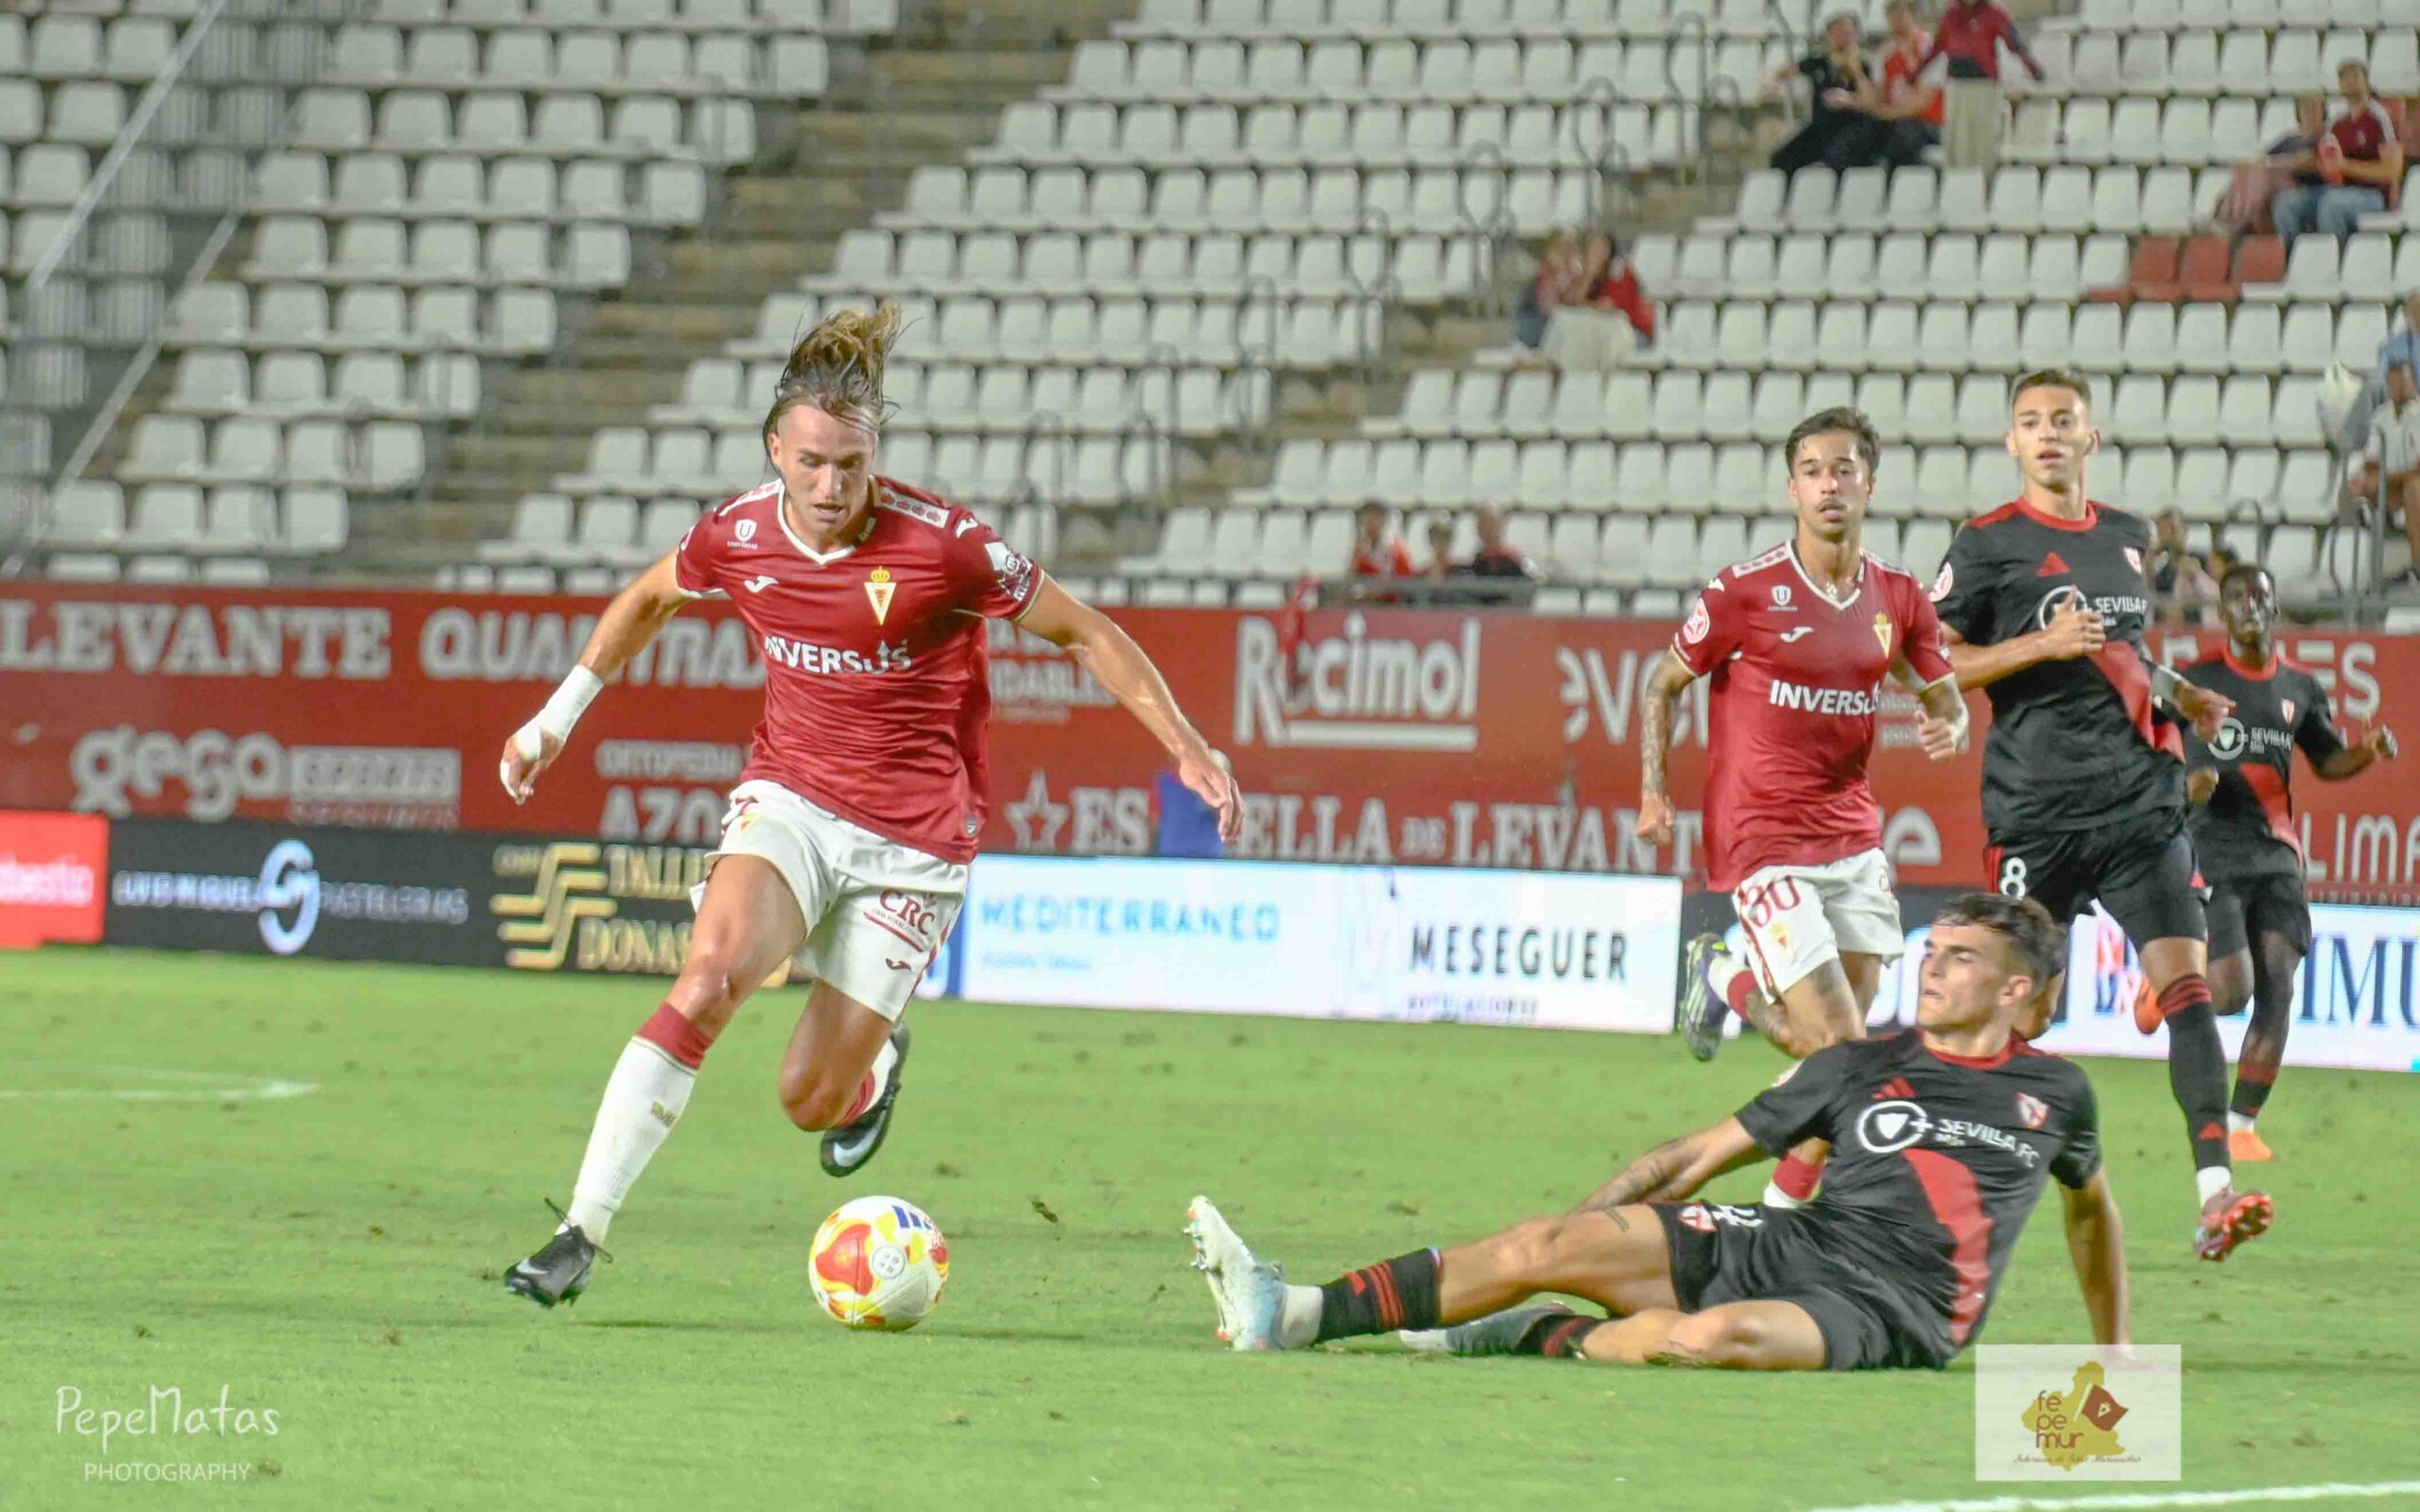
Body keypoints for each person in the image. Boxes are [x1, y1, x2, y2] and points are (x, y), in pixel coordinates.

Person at [495, 303, 1242, 1307]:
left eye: (850, 464)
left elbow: (1085, 631)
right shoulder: (739, 533)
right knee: (707, 979)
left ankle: (876, 1063)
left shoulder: (946, 546)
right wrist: (554, 719)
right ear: (776, 449)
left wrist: (1186, 743)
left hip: (913, 845)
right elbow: (648, 598)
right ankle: (579, 1232)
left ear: (873, 457)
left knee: (807, 1100)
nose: (831, 486)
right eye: (811, 462)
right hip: (792, 801)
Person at [1186, 894, 2127, 1373]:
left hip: (1897, 1309)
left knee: (1707, 1339)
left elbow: (2090, 1213)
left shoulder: (2057, 1093)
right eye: (1934, 951)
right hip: (1792, 1243)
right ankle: (1292, 1312)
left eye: (1960, 959)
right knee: (1539, 1244)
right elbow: (1692, 1159)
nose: (1933, 968)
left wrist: (2111, 1349)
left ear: (2014, 988)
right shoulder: (1858, 1063)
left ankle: (1534, 1335)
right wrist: (1570, 1241)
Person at [1929, 369, 2271, 1263]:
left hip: (2137, 803)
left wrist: (2181, 694)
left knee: (2193, 990)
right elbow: (1931, 663)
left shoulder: (2127, 536)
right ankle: (1963, 1190)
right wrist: (2038, 644)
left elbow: (2123, 653)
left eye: (2063, 420)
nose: (2047, 433)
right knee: (2025, 1020)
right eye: (2031, 421)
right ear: (2011, 442)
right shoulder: (1985, 544)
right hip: (2036, 814)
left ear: (2091, 437)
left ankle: (2216, 1193)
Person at [1640, 407, 1969, 1211]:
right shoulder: (1745, 592)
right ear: (1792, 489)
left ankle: (1721, 981)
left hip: (1852, 839)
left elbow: (1945, 693)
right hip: (1761, 840)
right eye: (1814, 471)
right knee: (1836, 1044)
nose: (1830, 485)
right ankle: (1723, 977)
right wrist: (1654, 789)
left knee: (1834, 1058)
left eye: (1844, 470)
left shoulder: (1899, 597)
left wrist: (1950, 722)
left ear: (1869, 485)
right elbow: (1663, 683)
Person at [2180, 566, 2396, 1163]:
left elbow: (2326, 761)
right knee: (2231, 992)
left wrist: (2365, 752)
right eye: (2237, 598)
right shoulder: (2196, 681)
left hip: (2276, 854)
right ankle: (2168, 983)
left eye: (2259, 597)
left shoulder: (2299, 687)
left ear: (2274, 609)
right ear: (2222, 612)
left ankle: (2241, 1125)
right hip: (2213, 851)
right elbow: (2157, 751)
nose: (2249, 606)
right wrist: (2186, 786)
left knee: (2278, 981)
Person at [2273, 61, 2405, 248]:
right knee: (2286, 203)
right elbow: (2326, 162)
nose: (2349, 81)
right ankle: (2294, 258)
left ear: (2366, 81)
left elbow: (2391, 170)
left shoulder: (2378, 117)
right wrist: (2306, 163)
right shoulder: (2338, 124)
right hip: (2339, 189)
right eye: (2344, 77)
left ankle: (2334, 258)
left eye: (2355, 76)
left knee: (2331, 205)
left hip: (2373, 195)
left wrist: (2346, 166)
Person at [1914, 0, 2046, 171]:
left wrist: (2034, 69)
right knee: (1957, 140)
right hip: (1956, 86)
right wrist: (1916, 74)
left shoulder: (1994, 13)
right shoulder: (1951, 15)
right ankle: (1955, 180)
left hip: (1984, 87)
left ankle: (1985, 180)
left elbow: (2015, 43)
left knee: (1983, 141)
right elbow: (1937, 47)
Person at [1766, 13, 1881, 176]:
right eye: (1836, 33)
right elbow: (1790, 69)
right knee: (1781, 159)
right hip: (1821, 127)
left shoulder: (1866, 64)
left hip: (1853, 127)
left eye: (1846, 33)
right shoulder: (1819, 62)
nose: (1841, 38)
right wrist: (1774, 80)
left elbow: (1872, 102)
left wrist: (1852, 85)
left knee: (1836, 160)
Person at [2208, 94, 2328, 238]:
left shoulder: (2324, 139)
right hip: (2273, 189)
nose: (2309, 113)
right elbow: (2262, 159)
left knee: (2263, 175)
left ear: (2323, 114)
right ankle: (2226, 217)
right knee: (2249, 172)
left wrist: (2276, 165)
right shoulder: (2290, 139)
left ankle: (2235, 222)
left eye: (2314, 109)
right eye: (2305, 108)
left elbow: (2305, 162)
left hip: (2304, 189)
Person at [1542, 232, 1655, 371]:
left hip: (1633, 332)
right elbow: (1571, 302)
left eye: (1602, 247)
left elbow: (1609, 307)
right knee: (1570, 325)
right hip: (1597, 331)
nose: (1598, 252)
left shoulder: (1620, 271)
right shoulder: (1583, 271)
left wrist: (1588, 304)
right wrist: (1589, 274)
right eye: (1594, 247)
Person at [1857, 0, 1945, 170]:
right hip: (1895, 119)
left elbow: (1922, 102)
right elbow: (1876, 99)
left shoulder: (1930, 48)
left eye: (1900, 10)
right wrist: (1856, 72)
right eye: (1891, 10)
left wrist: (1885, 114)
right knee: (1859, 132)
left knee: (1901, 136)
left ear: (1914, 14)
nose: (1895, 16)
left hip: (1929, 124)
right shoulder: (1885, 53)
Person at [2355, 361, 2420, 588]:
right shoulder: (2381, 416)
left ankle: (2418, 566)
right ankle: (2356, 572)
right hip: (2391, 486)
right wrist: (2389, 478)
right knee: (2360, 483)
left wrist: (2390, 477)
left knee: (2414, 489)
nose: (2398, 387)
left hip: (2411, 485)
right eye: (2393, 382)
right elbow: (2371, 463)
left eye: (2403, 381)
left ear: (2413, 382)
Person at [1514, 232, 1586, 354]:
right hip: (1537, 322)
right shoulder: (1545, 275)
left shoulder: (1574, 274)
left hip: (1556, 322)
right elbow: (1546, 307)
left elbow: (1574, 301)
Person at [2149, 507, 2219, 625]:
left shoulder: (2203, 560)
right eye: (2162, 532)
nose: (2168, 536)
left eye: (2173, 529)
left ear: (2185, 530)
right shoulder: (2161, 574)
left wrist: (2197, 575)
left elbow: (2217, 593)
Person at [1462, 505, 1539, 580]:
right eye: (1482, 523)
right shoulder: (1478, 561)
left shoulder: (1514, 559)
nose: (1487, 528)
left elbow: (1533, 577)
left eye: (1490, 523)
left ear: (1500, 526)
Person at [1348, 501, 1416, 578]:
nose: (1369, 525)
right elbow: (1350, 577)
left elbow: (1406, 577)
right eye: (1366, 521)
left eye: (1373, 519)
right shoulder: (1360, 549)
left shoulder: (1396, 549)